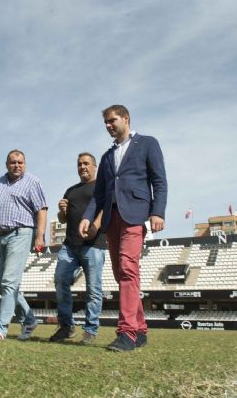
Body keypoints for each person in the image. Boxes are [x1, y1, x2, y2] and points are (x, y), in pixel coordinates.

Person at [79, 105, 167, 352]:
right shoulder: (107, 156)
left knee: (128, 269)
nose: (108, 125)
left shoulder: (148, 143)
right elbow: (98, 194)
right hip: (111, 220)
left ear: (126, 119)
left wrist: (157, 211)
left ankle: (126, 332)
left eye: (112, 120)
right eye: (105, 122)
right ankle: (140, 330)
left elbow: (159, 180)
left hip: (135, 216)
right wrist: (87, 217)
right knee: (121, 275)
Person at [0, 149, 48, 340]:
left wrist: (40, 235)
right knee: (2, 283)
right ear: (6, 164)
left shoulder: (32, 181)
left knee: (10, 281)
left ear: (25, 164)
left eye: (20, 162)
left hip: (21, 233)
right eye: (13, 162)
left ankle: (1, 328)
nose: (17, 165)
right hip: (0, 236)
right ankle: (30, 320)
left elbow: (41, 209)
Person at [50, 153, 106, 345]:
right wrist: (62, 209)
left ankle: (90, 331)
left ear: (94, 166)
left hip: (93, 244)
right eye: (79, 164)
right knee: (60, 280)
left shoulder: (102, 186)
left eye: (86, 163)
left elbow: (106, 209)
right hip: (70, 245)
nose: (82, 167)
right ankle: (66, 327)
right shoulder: (71, 190)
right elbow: (63, 219)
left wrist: (95, 227)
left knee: (94, 289)